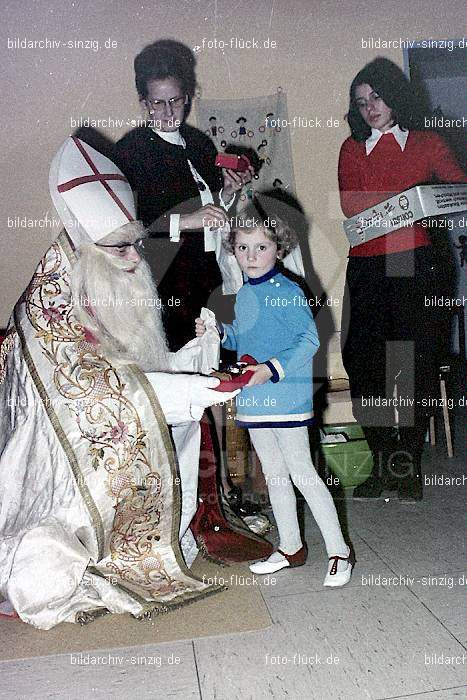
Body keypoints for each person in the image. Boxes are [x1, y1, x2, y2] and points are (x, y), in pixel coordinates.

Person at [0, 136, 240, 629]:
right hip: (58, 478)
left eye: (135, 242)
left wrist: (195, 360)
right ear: (86, 246)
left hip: (100, 462)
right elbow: (99, 397)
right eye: (121, 247)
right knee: (43, 571)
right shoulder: (46, 306)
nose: (135, 257)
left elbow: (141, 368)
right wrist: (193, 390)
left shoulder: (105, 272)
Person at [195, 201, 354, 587]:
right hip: (255, 397)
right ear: (233, 249)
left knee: (302, 472)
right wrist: (218, 334)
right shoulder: (246, 293)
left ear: (279, 248)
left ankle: (339, 551)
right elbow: (248, 337)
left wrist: (271, 369)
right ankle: (290, 546)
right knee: (276, 475)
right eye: (243, 247)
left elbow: (309, 339)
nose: (251, 256)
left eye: (261, 247)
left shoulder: (288, 290)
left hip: (285, 395)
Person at [338, 57, 466, 502]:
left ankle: (405, 467)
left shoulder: (428, 142)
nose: (370, 107)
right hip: (370, 266)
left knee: (413, 366)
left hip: (416, 263)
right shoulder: (352, 148)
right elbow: (355, 209)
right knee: (365, 365)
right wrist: (409, 203)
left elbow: (456, 190)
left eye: (377, 96)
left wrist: (420, 203)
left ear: (396, 95)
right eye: (361, 102)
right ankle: (380, 460)